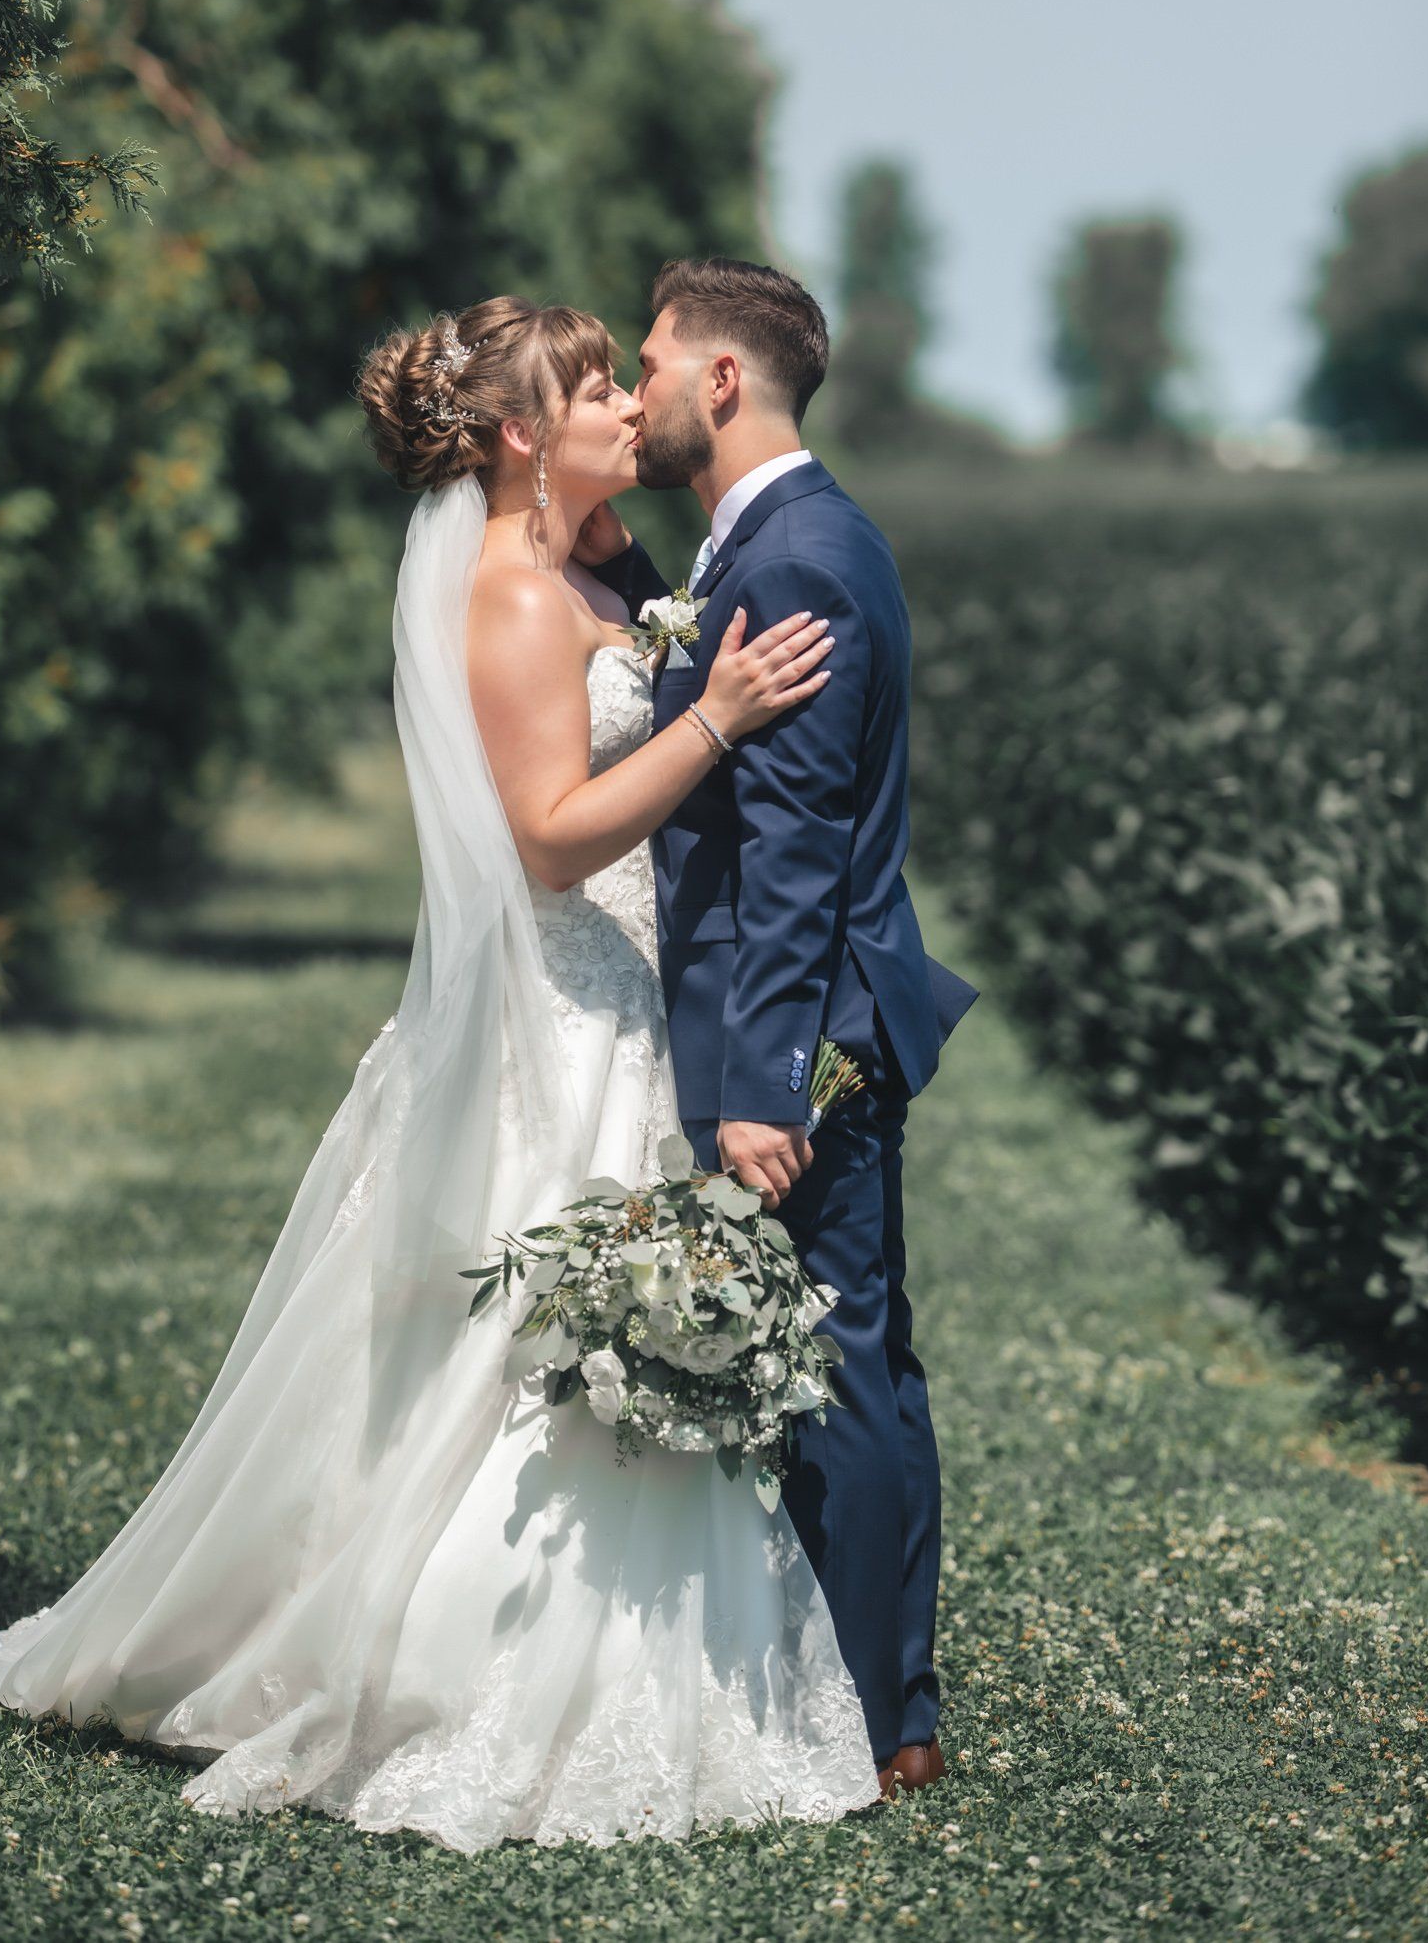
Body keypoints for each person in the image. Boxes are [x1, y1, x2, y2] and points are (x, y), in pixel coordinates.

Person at [0, 293, 883, 1852]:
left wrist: (652, 600)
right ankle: (455, 1664)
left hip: (619, 1009)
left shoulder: (588, 568)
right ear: (515, 437)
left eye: (632, 376)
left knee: (555, 1344)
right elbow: (551, 837)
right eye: (596, 387)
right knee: (514, 1347)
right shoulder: (506, 593)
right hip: (558, 1004)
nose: (629, 402)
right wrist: (721, 719)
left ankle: (639, 1656)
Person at [579, 256, 979, 1789]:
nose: (639, 389)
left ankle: (881, 1723)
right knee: (856, 1354)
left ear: (723, 381)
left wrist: (764, 1086)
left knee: (838, 1362)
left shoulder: (796, 557)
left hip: (806, 1035)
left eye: (655, 361)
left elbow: (799, 850)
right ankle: (893, 1701)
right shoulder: (777, 538)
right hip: (811, 1014)